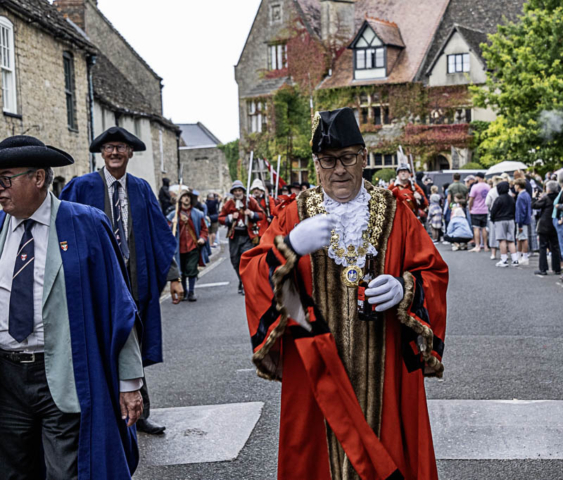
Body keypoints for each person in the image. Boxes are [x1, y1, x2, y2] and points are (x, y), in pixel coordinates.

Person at [241, 107, 448, 480]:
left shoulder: (396, 211)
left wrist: (405, 288)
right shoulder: (293, 214)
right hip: (315, 372)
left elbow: (433, 272)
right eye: (328, 160)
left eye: (348, 158)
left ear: (364, 158)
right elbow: (253, 272)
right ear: (316, 165)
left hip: (385, 367)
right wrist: (288, 247)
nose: (339, 169)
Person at [0, 135, 143, 478]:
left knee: (66, 472)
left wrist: (129, 382)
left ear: (38, 178)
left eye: (5, 180)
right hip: (7, 380)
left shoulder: (86, 224)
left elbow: (118, 306)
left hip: (64, 374)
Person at [60, 126, 182, 435]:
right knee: (96, 347)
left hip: (133, 285)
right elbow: (60, 230)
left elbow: (159, 235)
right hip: (95, 285)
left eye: (121, 147)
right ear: (102, 153)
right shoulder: (81, 187)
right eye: (109, 147)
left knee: (133, 348)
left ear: (130, 153)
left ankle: (140, 414)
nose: (115, 152)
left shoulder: (141, 189)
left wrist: (175, 277)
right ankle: (99, 417)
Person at [218, 180, 264, 295]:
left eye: (239, 190)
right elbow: (221, 218)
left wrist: (251, 214)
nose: (238, 193)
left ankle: (246, 283)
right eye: (235, 191)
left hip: (247, 235)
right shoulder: (229, 203)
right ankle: (241, 280)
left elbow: (261, 214)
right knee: (235, 260)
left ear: (243, 191)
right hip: (234, 236)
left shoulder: (250, 201)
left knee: (246, 259)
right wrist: (230, 217)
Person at [168, 190, 209, 301]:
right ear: (180, 199)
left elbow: (204, 229)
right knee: (181, 271)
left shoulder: (198, 214)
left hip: (193, 246)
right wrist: (172, 223)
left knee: (191, 270)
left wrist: (202, 238)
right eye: (184, 196)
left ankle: (191, 292)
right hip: (179, 248)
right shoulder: (173, 215)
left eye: (188, 197)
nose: (186, 198)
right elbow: (166, 230)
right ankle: (184, 291)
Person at [532, 180, 561, 276]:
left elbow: (535, 205)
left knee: (543, 246)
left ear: (548, 189)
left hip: (544, 225)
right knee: (555, 247)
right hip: (555, 224)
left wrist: (534, 197)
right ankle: (557, 268)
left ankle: (543, 269)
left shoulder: (546, 198)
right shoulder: (558, 198)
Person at [490, 181, 518, 267]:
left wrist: (492, 219)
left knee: (502, 240)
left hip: (500, 220)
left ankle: (504, 260)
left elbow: (493, 211)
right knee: (511, 240)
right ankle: (515, 259)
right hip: (510, 220)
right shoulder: (511, 198)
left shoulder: (498, 199)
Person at [468, 172, 490, 252]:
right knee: (484, 228)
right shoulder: (488, 186)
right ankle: (485, 245)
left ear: (478, 177)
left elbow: (471, 199)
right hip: (485, 209)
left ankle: (477, 245)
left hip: (476, 210)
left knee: (476, 228)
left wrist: (470, 208)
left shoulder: (475, 187)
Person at [514, 178, 532, 265]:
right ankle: (519, 255)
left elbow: (521, 212)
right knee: (519, 238)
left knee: (523, 238)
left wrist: (520, 224)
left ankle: (524, 257)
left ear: (518, 186)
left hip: (522, 221)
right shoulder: (526, 194)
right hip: (526, 219)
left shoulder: (521, 196)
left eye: (515, 185)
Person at [485, 176, 503, 261]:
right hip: (504, 214)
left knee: (493, 234)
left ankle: (493, 253)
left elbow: (487, 203)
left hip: (494, 214)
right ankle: (504, 254)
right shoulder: (506, 191)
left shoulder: (492, 191)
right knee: (503, 235)